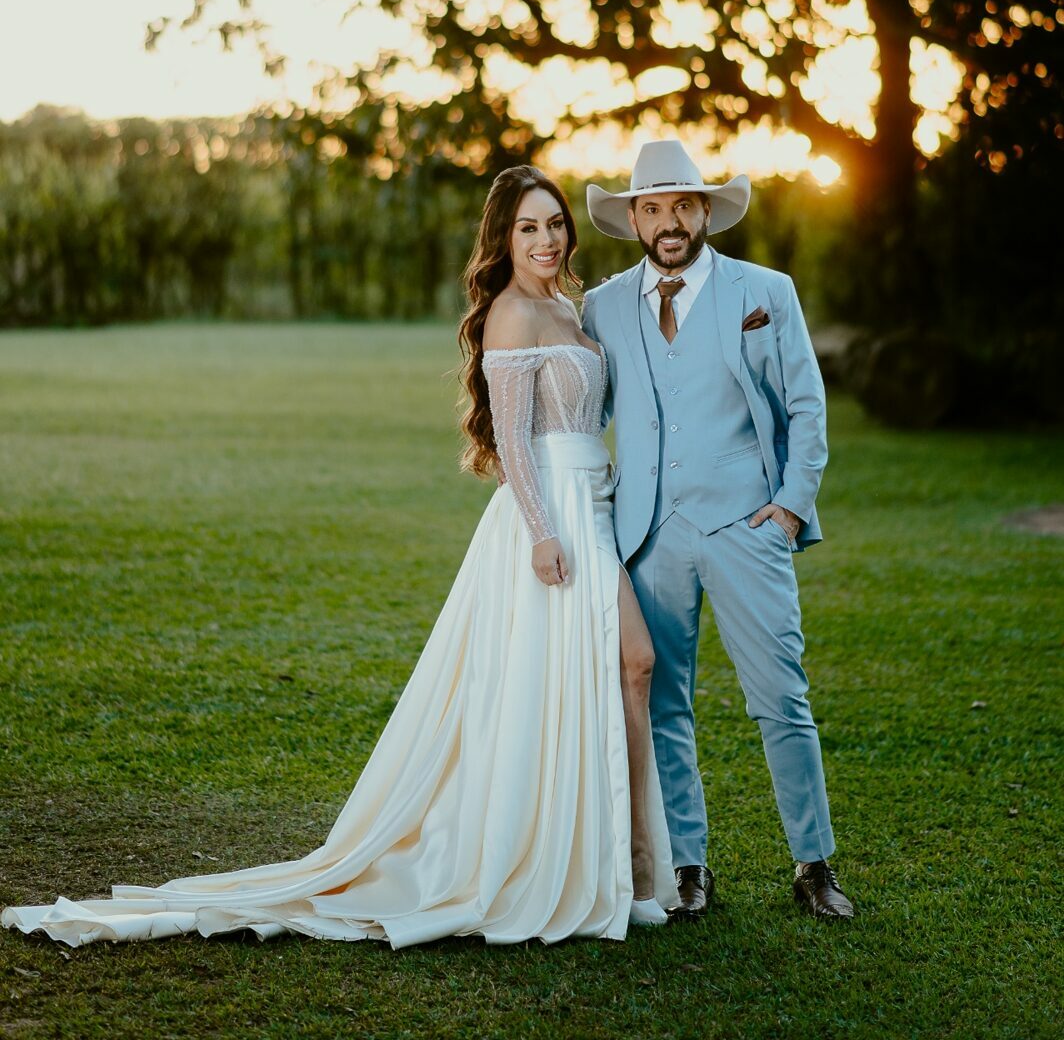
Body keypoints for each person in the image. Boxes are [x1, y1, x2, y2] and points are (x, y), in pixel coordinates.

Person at [3, 167, 676, 949]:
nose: (546, 239)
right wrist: (542, 533)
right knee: (607, 671)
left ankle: (622, 868)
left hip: (595, 506)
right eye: (528, 227)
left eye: (554, 223)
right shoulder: (512, 314)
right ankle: (591, 870)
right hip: (551, 519)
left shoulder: (568, 306)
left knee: (613, 674)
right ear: (503, 238)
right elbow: (515, 441)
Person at [582, 139, 854, 921]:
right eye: (653, 208)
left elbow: (805, 403)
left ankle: (813, 864)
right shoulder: (601, 306)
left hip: (746, 523)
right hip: (648, 532)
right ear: (635, 220)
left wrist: (790, 505)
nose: (668, 222)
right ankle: (688, 867)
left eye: (682, 206)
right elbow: (584, 405)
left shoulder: (764, 290)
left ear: (705, 211)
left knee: (781, 699)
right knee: (663, 704)